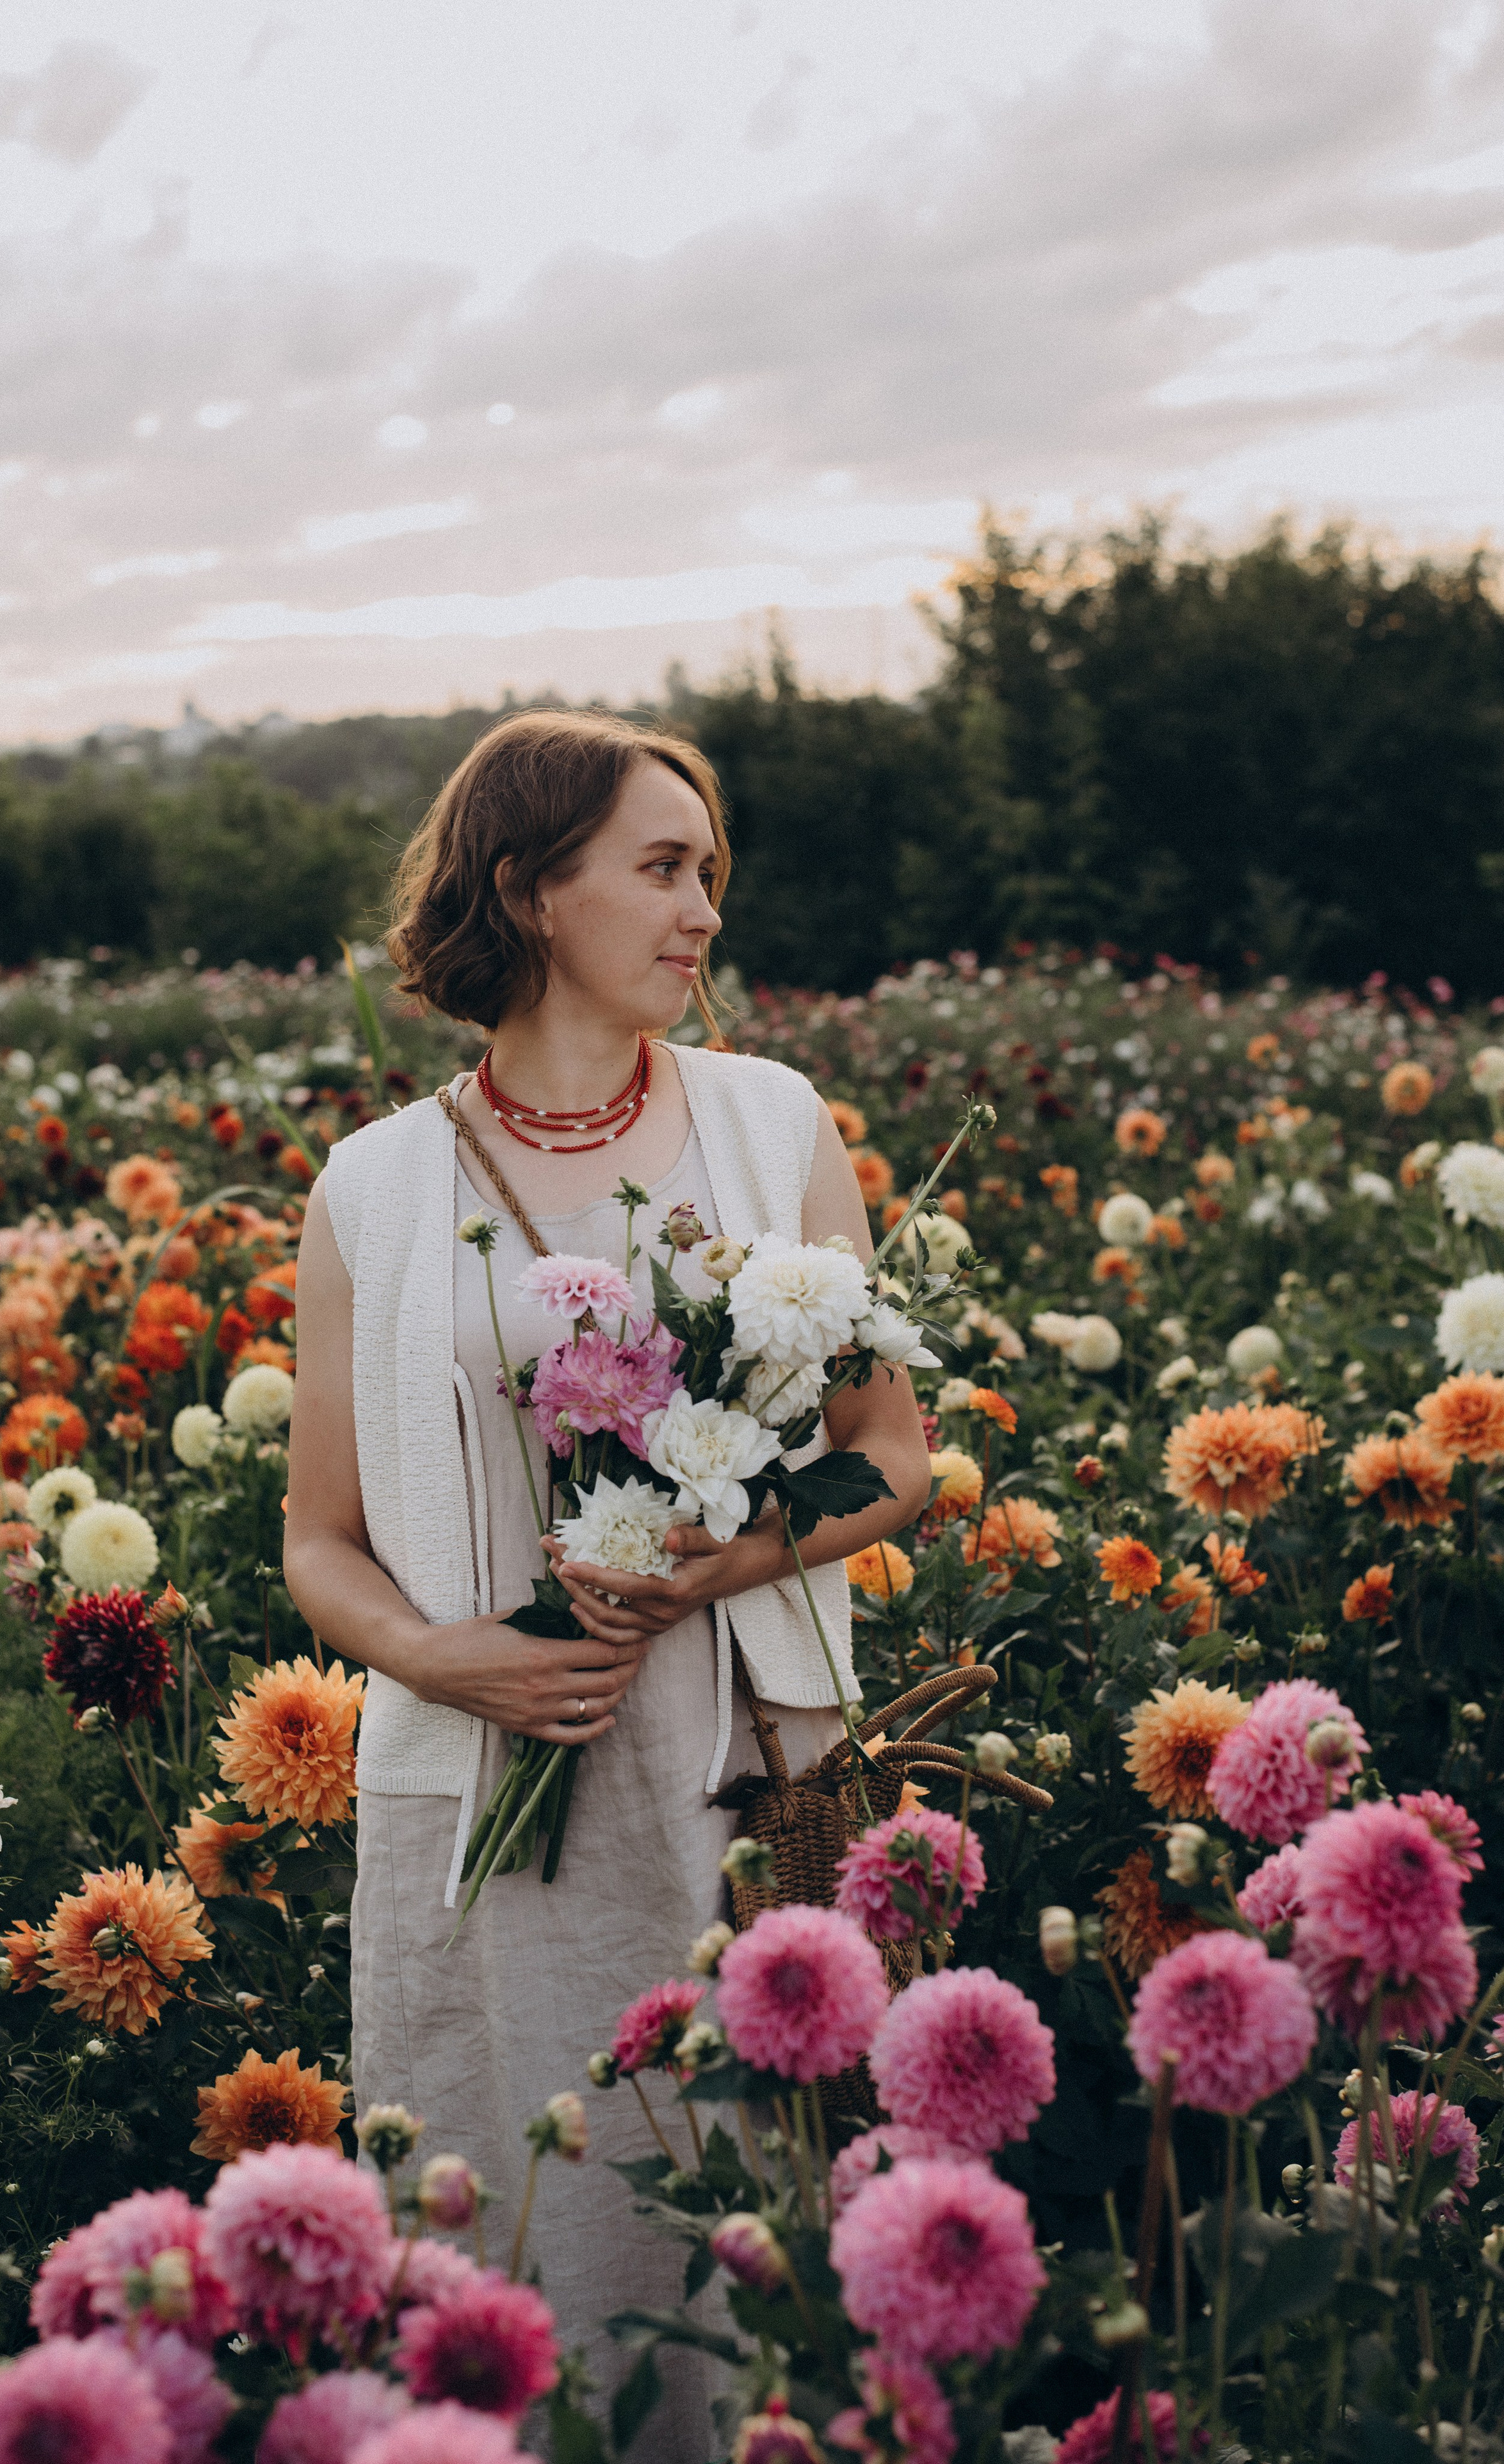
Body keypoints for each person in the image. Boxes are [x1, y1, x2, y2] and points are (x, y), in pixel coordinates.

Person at [284, 709, 930, 2452]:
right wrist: (450, 1657)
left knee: (759, 2229)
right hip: (491, 1791)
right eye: (662, 868)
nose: (704, 909)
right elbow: (317, 1541)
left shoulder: (770, 1126)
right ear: (530, 888)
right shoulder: (379, 1187)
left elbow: (899, 1450)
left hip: (738, 1778)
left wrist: (743, 1549)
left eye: (708, 871)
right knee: (528, 2232)